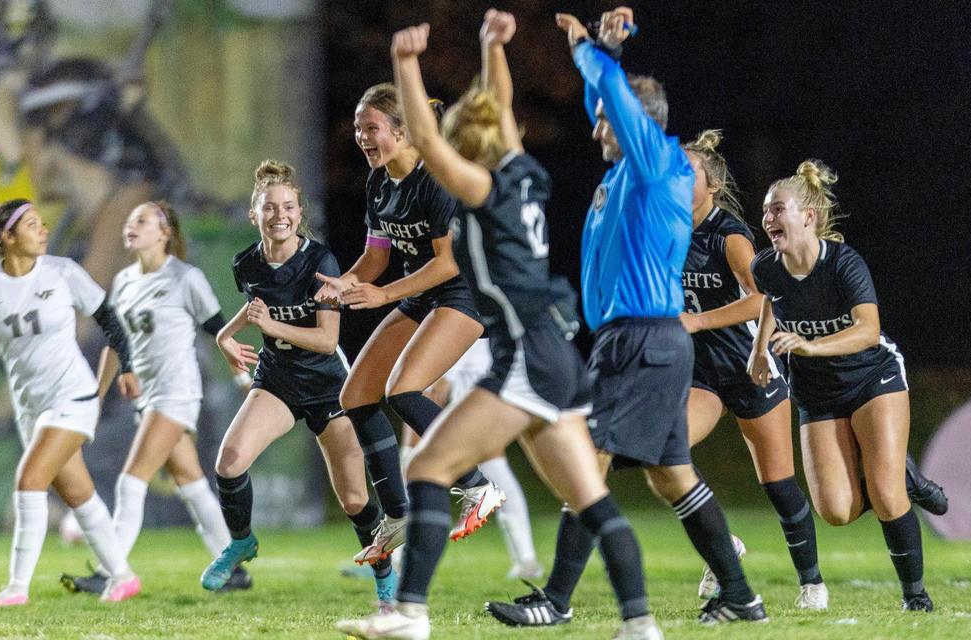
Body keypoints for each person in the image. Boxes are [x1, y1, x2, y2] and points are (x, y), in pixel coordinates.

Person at [338, 12, 661, 640]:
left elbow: (427, 141)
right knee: (591, 501)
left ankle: (408, 615)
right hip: (557, 353)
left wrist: (405, 64)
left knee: (428, 471)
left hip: (526, 357)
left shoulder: (481, 186)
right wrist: (492, 47)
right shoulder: (524, 172)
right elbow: (502, 103)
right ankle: (641, 625)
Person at [488, 8, 767, 627]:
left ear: (632, 124)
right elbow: (609, 96)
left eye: (604, 124)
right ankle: (742, 596)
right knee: (672, 479)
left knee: (584, 462)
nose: (596, 133)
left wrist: (587, 48)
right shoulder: (629, 171)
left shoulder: (657, 166)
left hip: (642, 341)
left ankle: (555, 603)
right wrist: (604, 61)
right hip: (638, 341)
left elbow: (615, 97)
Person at [314, 79, 504, 563]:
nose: (361, 137)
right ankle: (398, 516)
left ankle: (479, 486)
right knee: (355, 396)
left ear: (402, 131)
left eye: (371, 127)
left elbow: (449, 263)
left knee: (404, 390)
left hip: (460, 295)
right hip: (421, 295)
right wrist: (343, 284)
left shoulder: (435, 179)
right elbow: (375, 259)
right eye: (358, 128)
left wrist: (383, 295)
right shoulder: (379, 182)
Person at [200, 161, 398, 609]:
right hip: (278, 378)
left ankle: (387, 580)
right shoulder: (246, 263)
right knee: (229, 462)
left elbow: (328, 341)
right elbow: (258, 308)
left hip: (328, 385)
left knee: (353, 499)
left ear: (299, 211)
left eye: (288, 206)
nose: (280, 214)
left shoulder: (319, 260)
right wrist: (225, 335)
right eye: (269, 207)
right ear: (255, 216)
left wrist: (272, 325)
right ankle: (241, 542)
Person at [749, 160, 936, 612]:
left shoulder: (843, 263)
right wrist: (758, 349)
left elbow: (868, 330)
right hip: (816, 392)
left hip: (874, 378)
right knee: (836, 511)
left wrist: (811, 345)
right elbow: (771, 303)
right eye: (766, 211)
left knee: (887, 497)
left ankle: (915, 596)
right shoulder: (765, 267)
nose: (769, 219)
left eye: (779, 209)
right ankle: (898, 471)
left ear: (808, 216)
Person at [0, 198, 141, 606]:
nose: (43, 229)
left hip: (74, 395)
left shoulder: (63, 272)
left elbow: (109, 318)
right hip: (31, 406)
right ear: (6, 237)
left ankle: (17, 587)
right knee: (78, 494)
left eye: (42, 222)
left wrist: (129, 367)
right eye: (32, 224)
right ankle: (122, 575)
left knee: (29, 480)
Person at [59, 201, 250, 594]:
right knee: (192, 483)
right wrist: (96, 396)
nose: (131, 226)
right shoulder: (125, 280)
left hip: (176, 393)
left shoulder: (185, 277)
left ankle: (111, 570)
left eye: (141, 221)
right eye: (128, 221)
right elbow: (116, 344)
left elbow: (218, 329)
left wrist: (242, 372)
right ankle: (233, 567)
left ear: (164, 233)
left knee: (131, 481)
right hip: (145, 398)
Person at [677, 131, 826, 609]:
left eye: (687, 171)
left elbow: (764, 298)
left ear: (712, 186)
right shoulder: (666, 226)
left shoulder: (730, 235)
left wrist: (698, 320)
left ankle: (812, 584)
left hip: (748, 368)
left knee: (780, 485)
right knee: (668, 452)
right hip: (701, 373)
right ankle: (726, 547)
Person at [399, 338, 543, 581]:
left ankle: (396, 559)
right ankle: (527, 560)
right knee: (500, 479)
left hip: (476, 416)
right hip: (489, 408)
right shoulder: (484, 333)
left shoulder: (463, 334)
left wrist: (410, 447)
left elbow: (434, 391)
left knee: (419, 473)